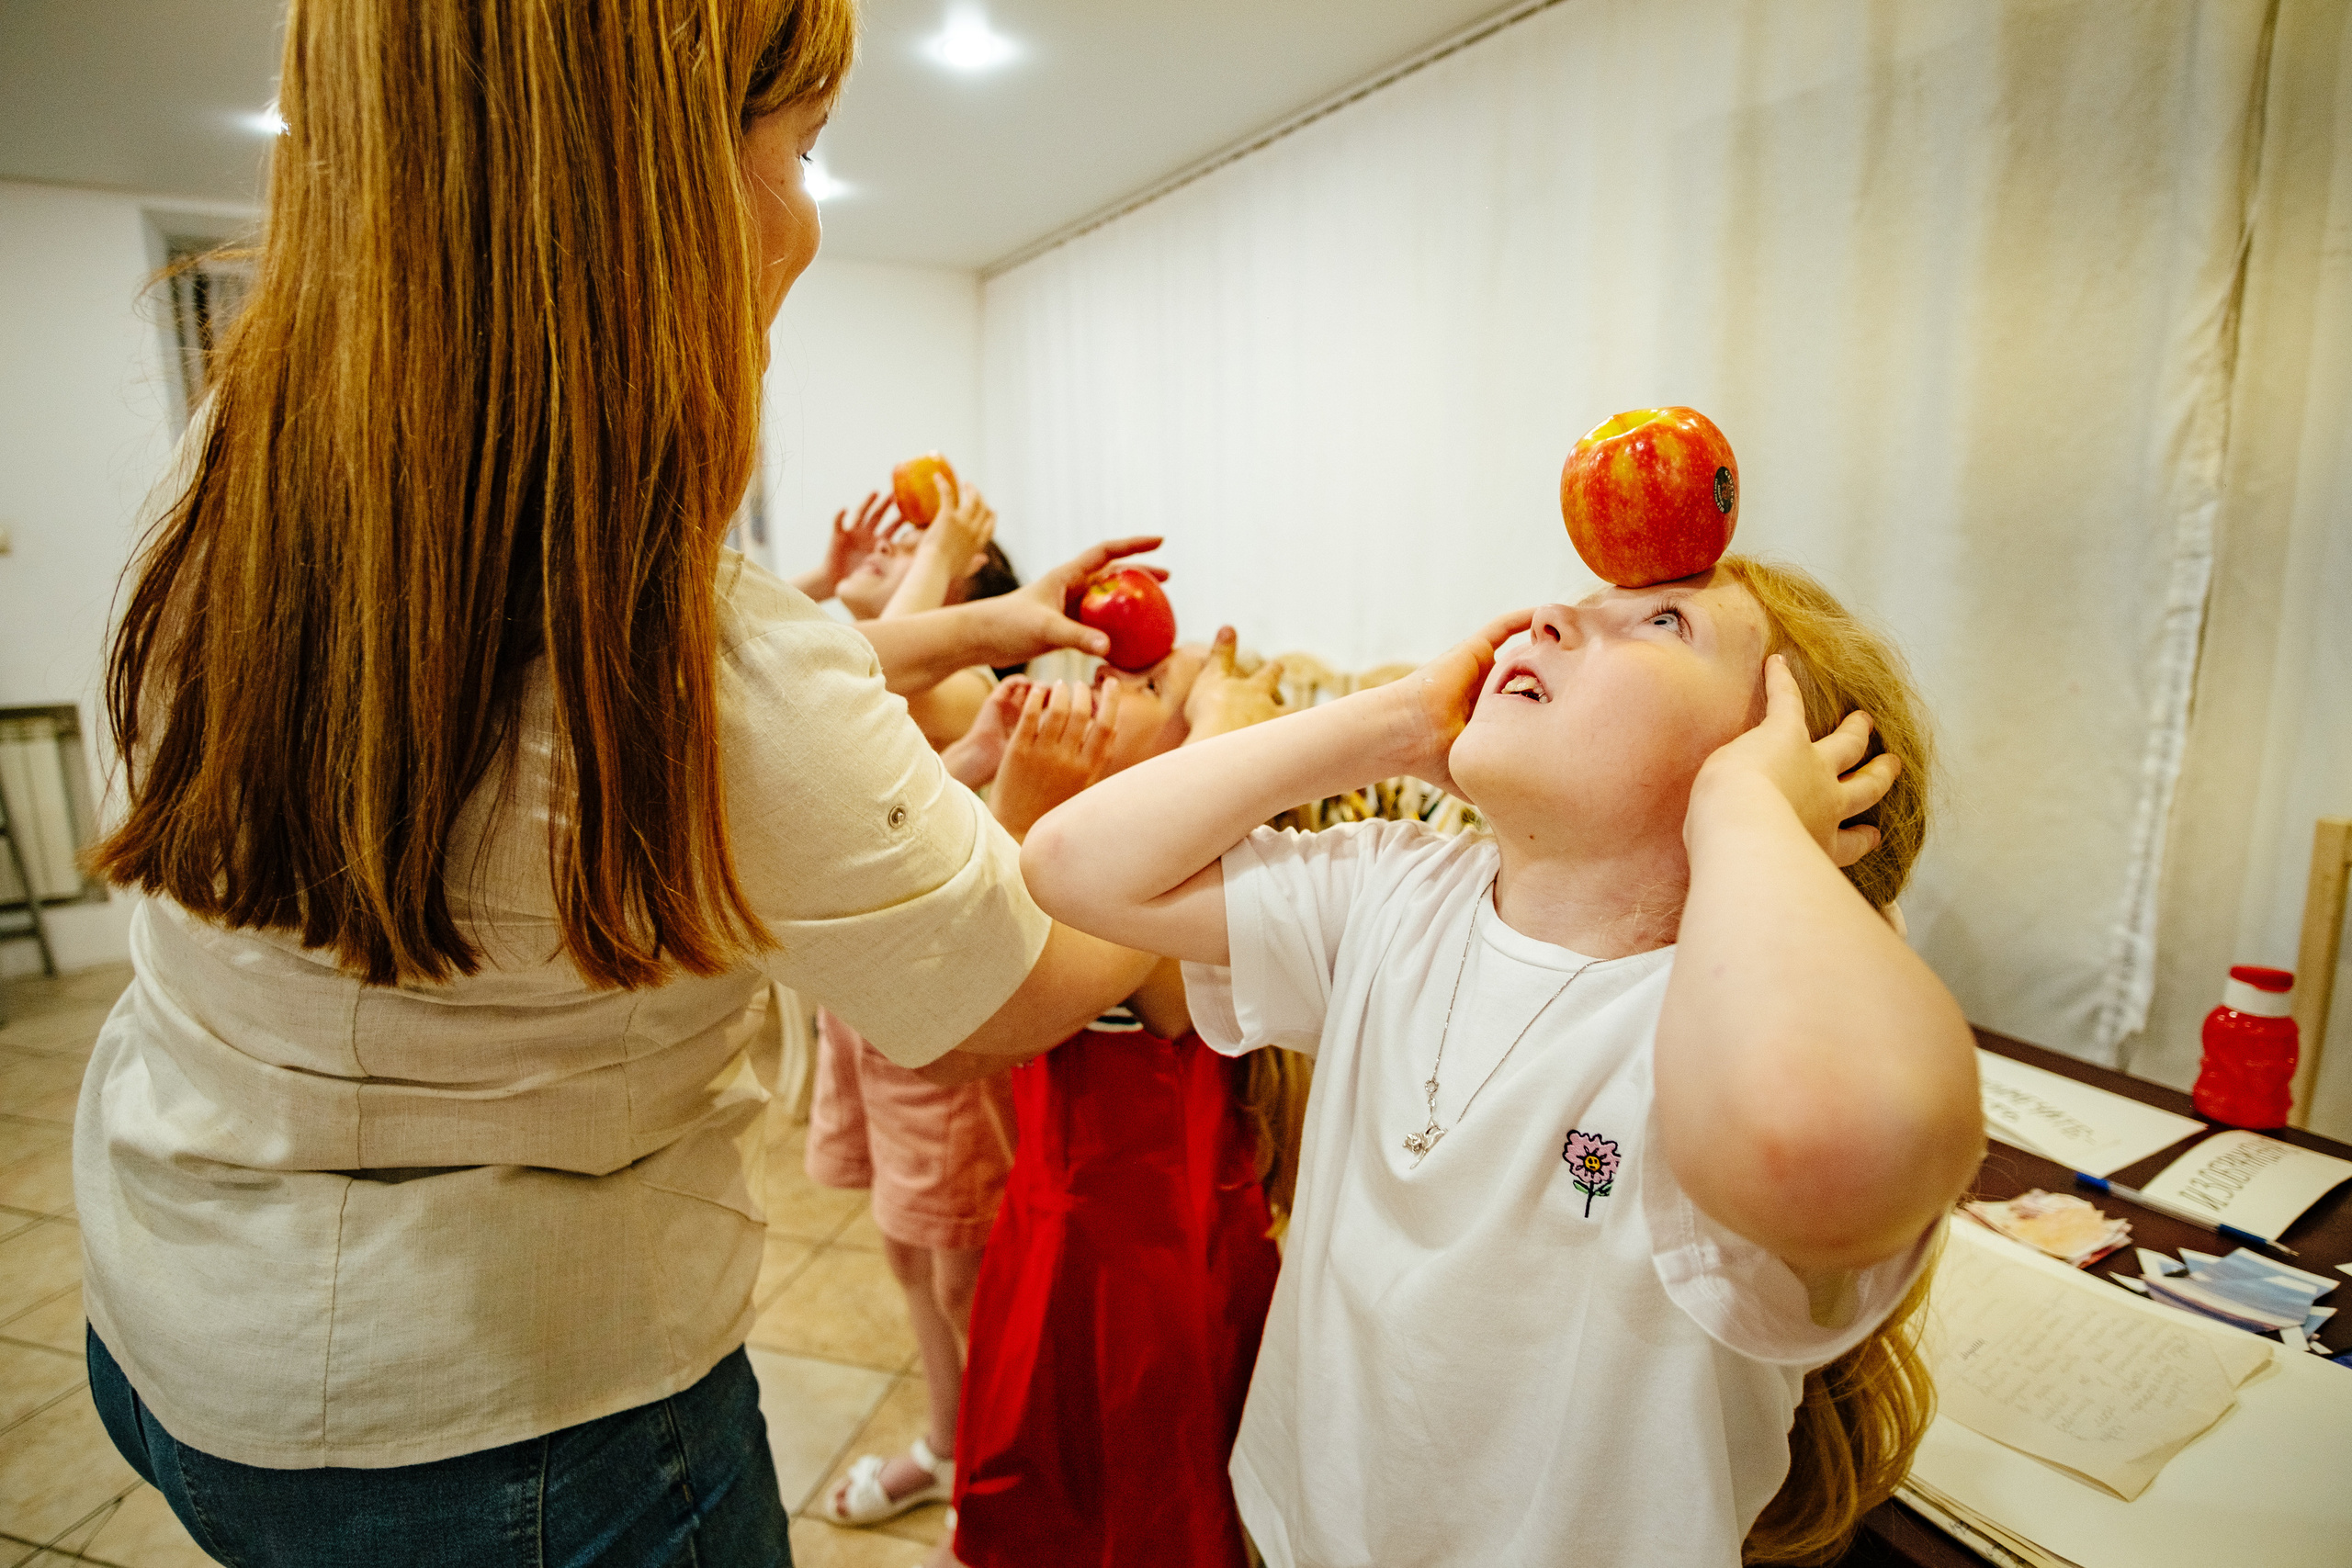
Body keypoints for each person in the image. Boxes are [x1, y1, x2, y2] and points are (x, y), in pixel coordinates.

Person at [75, 5, 1170, 1563]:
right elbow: (1012, 988)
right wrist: (1209, 808)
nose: (804, 219)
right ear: (649, 206)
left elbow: (575, 676)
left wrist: (972, 621)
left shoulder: (232, 487)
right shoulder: (711, 672)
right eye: (798, 151)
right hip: (512, 1437)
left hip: (174, 1309)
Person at [1019, 558, 1984, 1566]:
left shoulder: (1710, 1019)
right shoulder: (1395, 892)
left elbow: (1832, 1144)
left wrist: (1746, 816)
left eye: (1663, 623)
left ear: (1785, 765)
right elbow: (1071, 865)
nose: (1550, 615)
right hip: (1307, 1537)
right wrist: (1390, 722)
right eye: (1578, 602)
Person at [944, 663, 1289, 1568]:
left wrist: (1218, 727)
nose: (1104, 676)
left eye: (1141, 687)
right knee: (1047, 1484)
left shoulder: (1184, 896)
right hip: (1055, 1233)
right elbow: (954, 991)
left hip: (1156, 1260)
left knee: (1154, 1496)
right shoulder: (1067, 857)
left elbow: (1155, 998)